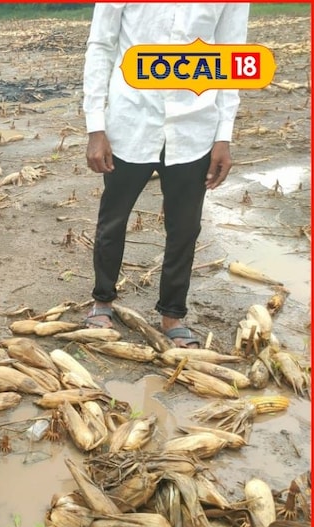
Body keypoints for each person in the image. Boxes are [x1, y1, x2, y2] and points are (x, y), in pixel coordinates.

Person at [82, 3, 249, 348]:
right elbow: (101, 45)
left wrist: (223, 136)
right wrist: (95, 127)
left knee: (185, 228)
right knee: (113, 219)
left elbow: (230, 54)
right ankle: (102, 301)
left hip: (194, 126)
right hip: (131, 120)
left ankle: (172, 315)